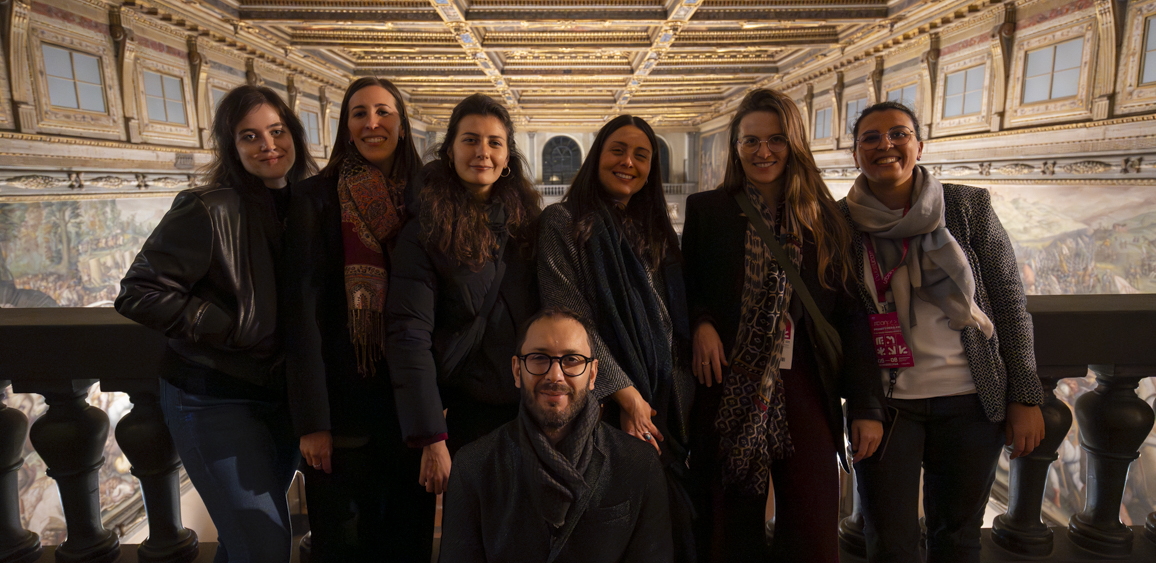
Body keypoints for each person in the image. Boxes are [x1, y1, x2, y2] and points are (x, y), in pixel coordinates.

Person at [681, 88, 885, 562]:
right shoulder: (707, 210)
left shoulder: (827, 217)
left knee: (812, 525)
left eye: (775, 140)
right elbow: (686, 287)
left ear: (794, 144)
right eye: (751, 141)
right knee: (727, 530)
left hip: (804, 386)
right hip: (727, 384)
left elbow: (852, 315)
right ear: (736, 146)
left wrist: (866, 404)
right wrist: (702, 323)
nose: (763, 151)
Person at [115, 85, 318, 563]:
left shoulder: (308, 204)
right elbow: (138, 292)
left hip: (282, 399)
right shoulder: (208, 207)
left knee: (243, 543)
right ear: (232, 147)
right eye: (250, 136)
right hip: (214, 399)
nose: (268, 145)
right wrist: (226, 326)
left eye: (277, 131)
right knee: (264, 545)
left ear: (294, 135)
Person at [839, 101, 1046, 563]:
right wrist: (861, 403)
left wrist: (1025, 395)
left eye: (899, 133)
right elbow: (843, 321)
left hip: (972, 401)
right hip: (887, 406)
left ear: (920, 145)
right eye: (870, 137)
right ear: (855, 154)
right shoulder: (839, 222)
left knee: (958, 539)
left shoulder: (968, 207)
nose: (885, 144)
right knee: (888, 542)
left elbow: (1009, 303)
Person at [282, 77, 434, 562]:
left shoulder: (428, 198)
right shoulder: (315, 197)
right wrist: (313, 422)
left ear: (402, 125)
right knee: (342, 546)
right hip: (343, 411)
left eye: (384, 112)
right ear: (345, 127)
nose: (372, 123)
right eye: (359, 113)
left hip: (410, 408)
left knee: (408, 541)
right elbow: (301, 316)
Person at [537, 114, 696, 559]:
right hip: (603, 406)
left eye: (641, 155)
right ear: (597, 158)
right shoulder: (562, 221)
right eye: (618, 151)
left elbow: (673, 319)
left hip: (665, 406)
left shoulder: (655, 231)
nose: (629, 162)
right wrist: (626, 395)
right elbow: (571, 321)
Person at [386, 93, 542, 497]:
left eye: (494, 142)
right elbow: (408, 335)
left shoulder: (529, 224)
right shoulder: (425, 231)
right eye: (470, 140)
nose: (482, 152)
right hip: (470, 415)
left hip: (533, 409)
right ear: (450, 150)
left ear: (507, 158)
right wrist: (431, 435)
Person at [439, 307, 674, 563]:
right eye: (539, 358)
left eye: (572, 359)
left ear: (593, 374)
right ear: (517, 371)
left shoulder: (639, 465)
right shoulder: (473, 466)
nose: (555, 375)